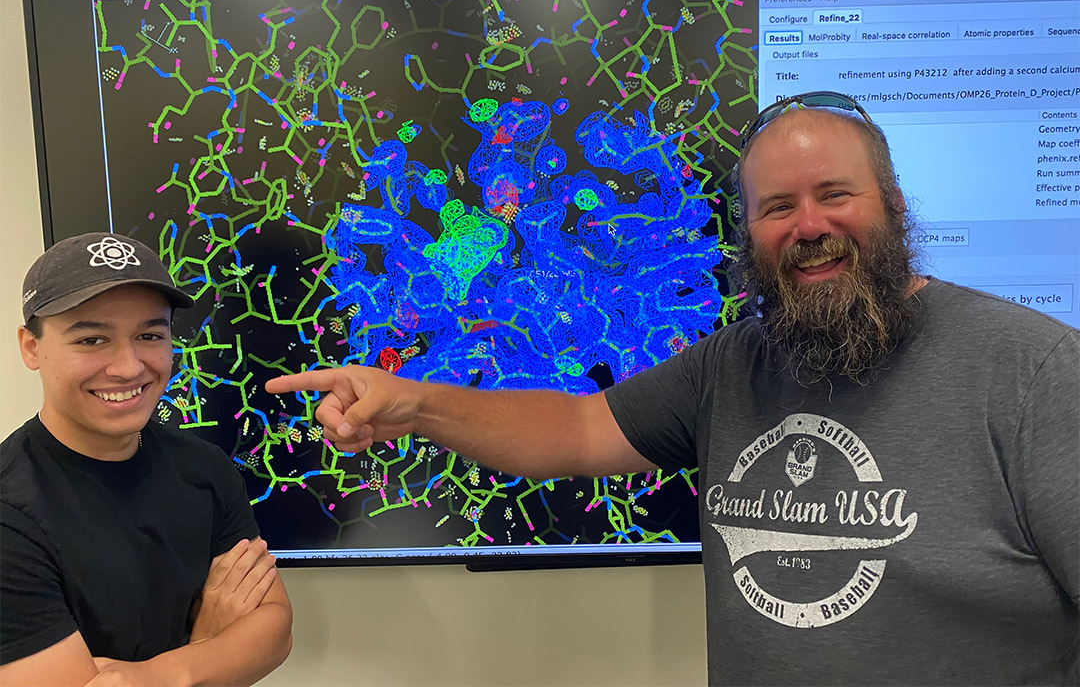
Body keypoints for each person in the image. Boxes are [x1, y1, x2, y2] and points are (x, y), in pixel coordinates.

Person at [266, 92, 1079, 684]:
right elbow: (578, 431)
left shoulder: (1036, 372)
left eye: (835, 194)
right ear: (749, 233)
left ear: (894, 207)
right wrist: (412, 400)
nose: (808, 226)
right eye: (777, 206)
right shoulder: (732, 364)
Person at [1, 233, 292, 685]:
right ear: (31, 347)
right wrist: (209, 643)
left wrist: (162, 675)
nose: (129, 366)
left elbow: (274, 630)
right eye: (92, 339)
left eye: (150, 335)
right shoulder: (9, 514)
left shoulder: (205, 469)